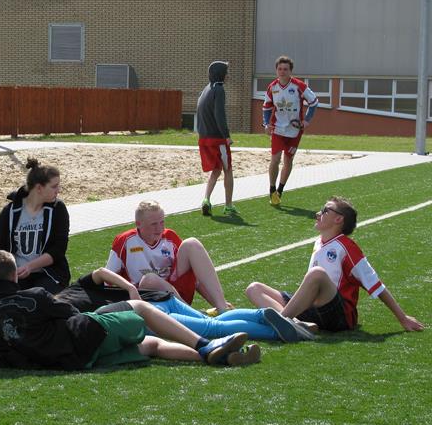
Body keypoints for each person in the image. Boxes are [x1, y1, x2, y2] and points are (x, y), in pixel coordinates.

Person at [0, 250, 261, 370]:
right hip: (84, 338)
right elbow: (72, 316)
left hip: (68, 363)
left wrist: (26, 356)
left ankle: (222, 358)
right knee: (140, 307)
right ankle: (206, 345)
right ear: (15, 276)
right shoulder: (35, 295)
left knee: (151, 345)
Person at [245, 197, 424, 334]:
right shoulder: (318, 242)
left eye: (325, 210)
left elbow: (376, 285)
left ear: (338, 219)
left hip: (339, 317)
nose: (318, 213)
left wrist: (403, 318)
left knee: (316, 273)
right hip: (314, 310)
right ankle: (296, 325)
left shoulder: (347, 248)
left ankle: (283, 322)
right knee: (254, 288)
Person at [87, 267, 311, 343]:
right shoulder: (76, 292)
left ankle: (276, 332)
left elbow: (100, 272)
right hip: (158, 300)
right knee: (212, 322)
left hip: (148, 310)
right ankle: (262, 315)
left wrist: (130, 289)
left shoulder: (75, 307)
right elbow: (101, 273)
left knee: (212, 328)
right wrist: (130, 288)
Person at [105, 200, 230, 313]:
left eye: (162, 222)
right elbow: (107, 279)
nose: (159, 228)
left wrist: (215, 302)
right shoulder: (125, 241)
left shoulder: (170, 237)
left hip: (177, 294)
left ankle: (223, 308)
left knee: (192, 243)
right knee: (150, 279)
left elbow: (195, 279)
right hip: (147, 299)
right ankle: (193, 314)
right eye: (153, 224)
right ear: (138, 224)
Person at [0, 157, 70, 294]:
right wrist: (0, 275)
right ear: (39, 188)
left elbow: (58, 250)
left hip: (48, 274)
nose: (58, 190)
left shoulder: (58, 209)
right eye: (54, 186)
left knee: (39, 297)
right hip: (16, 275)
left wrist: (29, 267)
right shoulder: (10, 212)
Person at [262, 55, 319, 205]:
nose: (282, 72)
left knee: (288, 160)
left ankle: (280, 190)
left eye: (285, 69)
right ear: (276, 70)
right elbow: (266, 107)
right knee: (275, 159)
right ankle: (272, 189)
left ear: (290, 71)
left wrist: (307, 120)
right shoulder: (272, 87)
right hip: (278, 129)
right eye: (280, 69)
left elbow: (314, 102)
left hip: (294, 130)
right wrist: (266, 124)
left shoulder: (299, 86)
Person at [196, 60, 236, 216]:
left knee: (216, 170)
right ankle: (228, 205)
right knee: (228, 170)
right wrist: (226, 136)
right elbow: (220, 115)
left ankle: (206, 199)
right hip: (217, 139)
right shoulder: (219, 89)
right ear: (221, 74)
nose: (228, 75)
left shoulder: (206, 89)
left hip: (204, 137)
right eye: (226, 72)